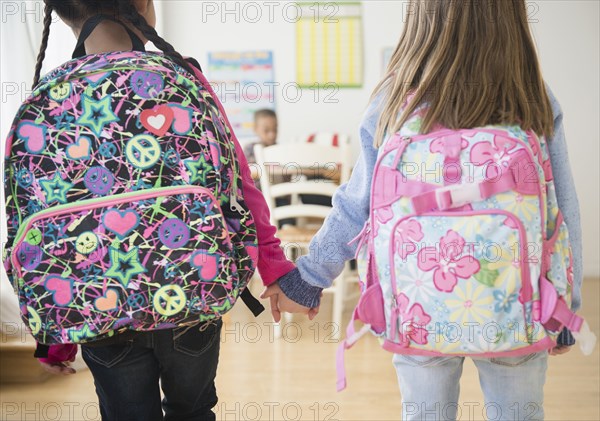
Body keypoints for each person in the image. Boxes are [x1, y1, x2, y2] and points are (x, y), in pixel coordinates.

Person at [265, 1, 583, 420]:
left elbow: (355, 204)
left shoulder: (394, 97)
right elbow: (562, 207)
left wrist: (308, 277)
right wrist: (565, 306)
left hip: (416, 307)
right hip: (515, 305)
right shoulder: (531, 92)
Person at [9, 1, 312, 420]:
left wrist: (57, 331)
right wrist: (275, 268)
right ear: (146, 5)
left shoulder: (49, 99)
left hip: (100, 309)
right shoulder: (183, 77)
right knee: (194, 410)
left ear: (60, 13)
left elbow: (34, 223)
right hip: (194, 292)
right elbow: (241, 185)